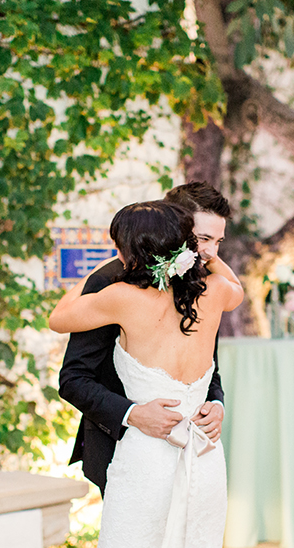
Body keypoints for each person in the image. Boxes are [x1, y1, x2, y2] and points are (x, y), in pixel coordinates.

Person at [49, 200, 260, 548]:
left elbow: (57, 319)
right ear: (186, 245)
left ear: (128, 250)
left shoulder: (120, 298)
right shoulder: (216, 292)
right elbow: (235, 286)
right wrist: (208, 256)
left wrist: (97, 273)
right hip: (203, 455)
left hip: (147, 457)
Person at [59, 182, 232, 496]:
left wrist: (216, 403)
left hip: (194, 455)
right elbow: (74, 379)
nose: (212, 252)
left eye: (218, 241)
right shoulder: (111, 283)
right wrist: (133, 414)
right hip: (124, 449)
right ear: (175, 226)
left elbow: (211, 369)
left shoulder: (207, 285)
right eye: (204, 238)